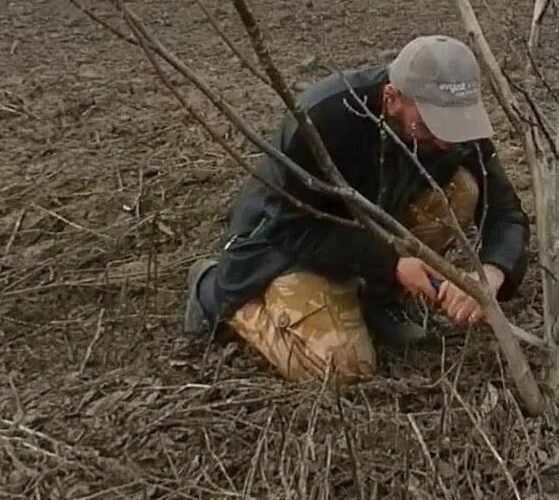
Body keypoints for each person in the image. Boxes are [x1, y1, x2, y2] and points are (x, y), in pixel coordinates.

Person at [182, 34, 529, 385]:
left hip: (365, 232)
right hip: (282, 243)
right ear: (392, 98)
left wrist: (490, 273)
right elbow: (294, 228)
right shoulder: (325, 117)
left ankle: (374, 299)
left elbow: (506, 212)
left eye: (454, 127)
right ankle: (216, 291)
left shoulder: (455, 126)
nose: (445, 142)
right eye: (429, 127)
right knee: (343, 366)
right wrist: (391, 263)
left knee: (463, 188)